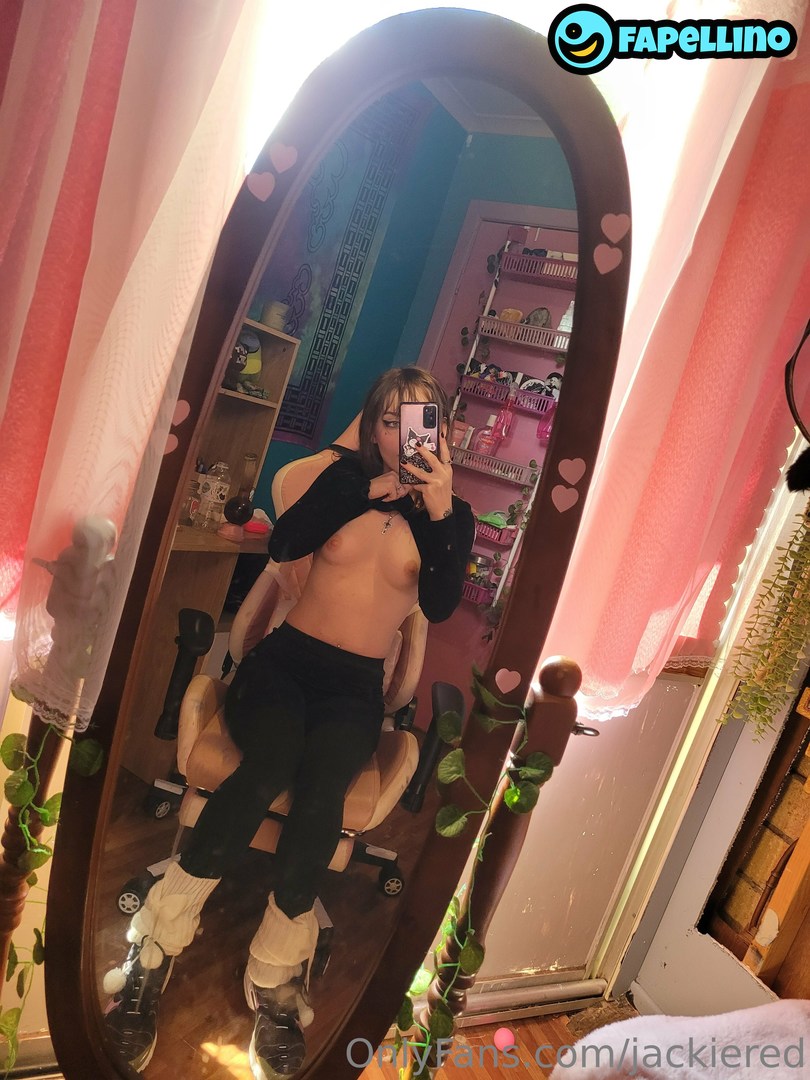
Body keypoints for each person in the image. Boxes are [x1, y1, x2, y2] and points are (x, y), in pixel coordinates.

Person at [103, 367, 475, 1078]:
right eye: (389, 420)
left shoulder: (450, 518)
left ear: (443, 432)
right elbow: (283, 546)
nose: (404, 435)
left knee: (324, 785)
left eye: (421, 420)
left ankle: (274, 971)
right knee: (269, 762)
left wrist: (436, 511)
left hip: (355, 690)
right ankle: (152, 946)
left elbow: (440, 601)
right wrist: (365, 490)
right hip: (284, 665)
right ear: (372, 429)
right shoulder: (343, 482)